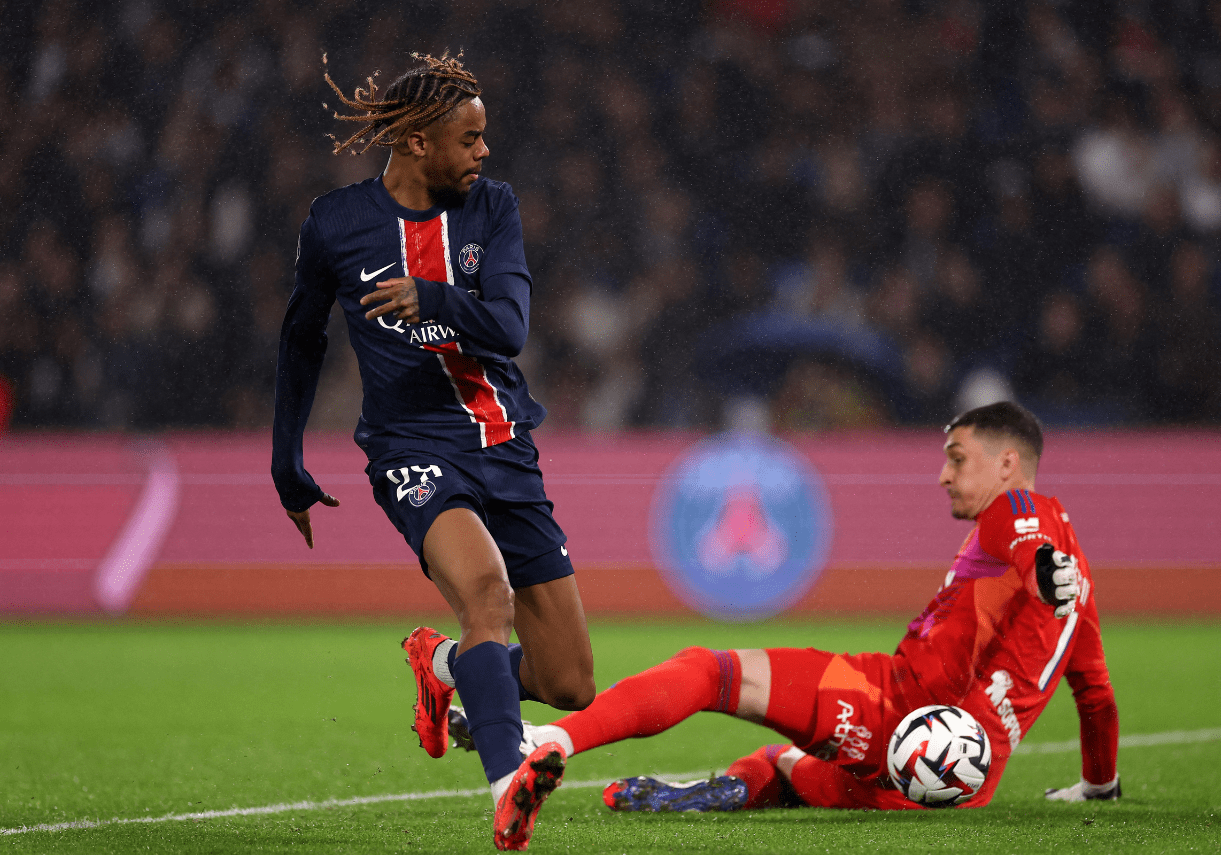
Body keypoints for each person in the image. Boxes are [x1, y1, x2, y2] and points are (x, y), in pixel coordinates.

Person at [453, 401, 1119, 811]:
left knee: (712, 671)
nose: (944, 473)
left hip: (900, 708)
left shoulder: (1017, 511)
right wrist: (1099, 785)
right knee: (789, 768)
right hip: (955, 780)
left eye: (957, 457)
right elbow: (1095, 695)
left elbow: (1021, 531)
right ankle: (745, 786)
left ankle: (546, 737)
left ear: (1008, 463)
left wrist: (1038, 562)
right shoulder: (1078, 582)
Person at [270, 52, 595, 851]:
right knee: (488, 595)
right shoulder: (336, 222)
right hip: (411, 446)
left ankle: (445, 666)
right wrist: (286, 458)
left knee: (570, 682)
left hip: (503, 444)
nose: (485, 153)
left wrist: (437, 298)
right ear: (416, 140)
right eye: (470, 139)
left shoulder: (492, 210)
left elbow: (511, 326)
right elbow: (302, 336)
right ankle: (504, 782)